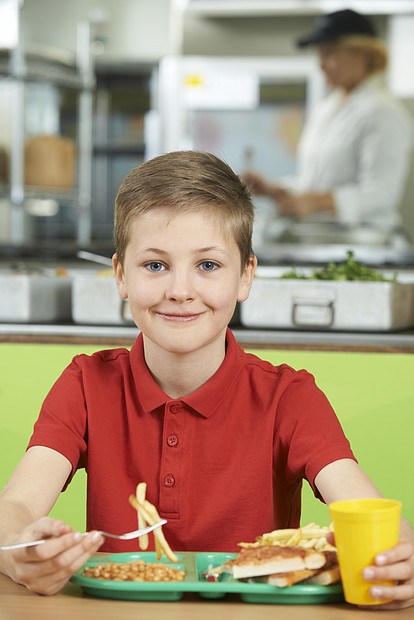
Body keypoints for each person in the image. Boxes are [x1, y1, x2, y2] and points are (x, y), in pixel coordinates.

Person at [0, 151, 413, 607]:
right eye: (155, 265)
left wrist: (398, 558)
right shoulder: (85, 383)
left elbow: (370, 515)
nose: (180, 290)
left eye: (208, 265)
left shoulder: (289, 397)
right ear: (120, 275)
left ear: (245, 276)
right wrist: (21, 549)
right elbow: (14, 507)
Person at [243, 9, 414, 244]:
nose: (322, 65)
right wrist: (275, 190)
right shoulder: (326, 109)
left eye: (330, 54)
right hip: (319, 237)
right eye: (320, 55)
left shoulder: (384, 112)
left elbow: (381, 193)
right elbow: (313, 183)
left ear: (362, 54)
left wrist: (316, 202)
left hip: (365, 241)